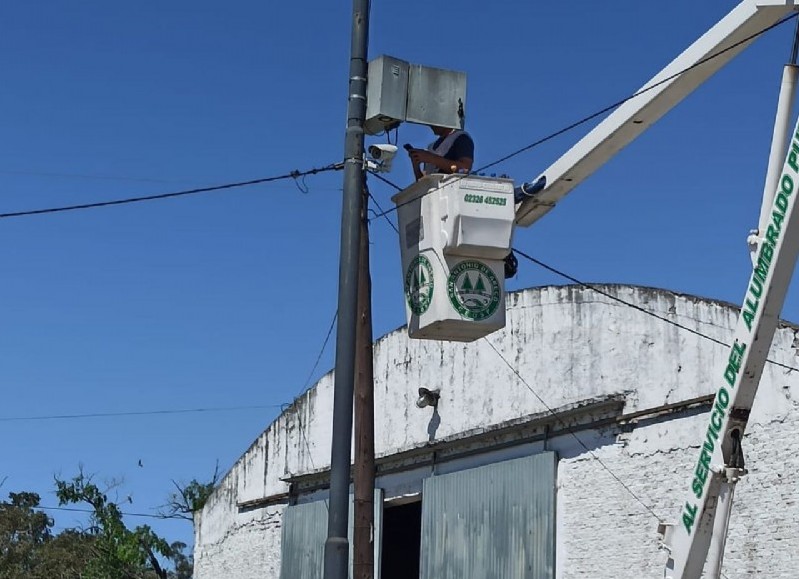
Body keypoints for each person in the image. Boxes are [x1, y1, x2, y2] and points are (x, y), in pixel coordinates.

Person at [406, 125, 474, 181]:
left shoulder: (461, 138)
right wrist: (416, 165)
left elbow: (464, 169)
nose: (431, 125)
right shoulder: (431, 147)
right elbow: (423, 182)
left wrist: (431, 158)